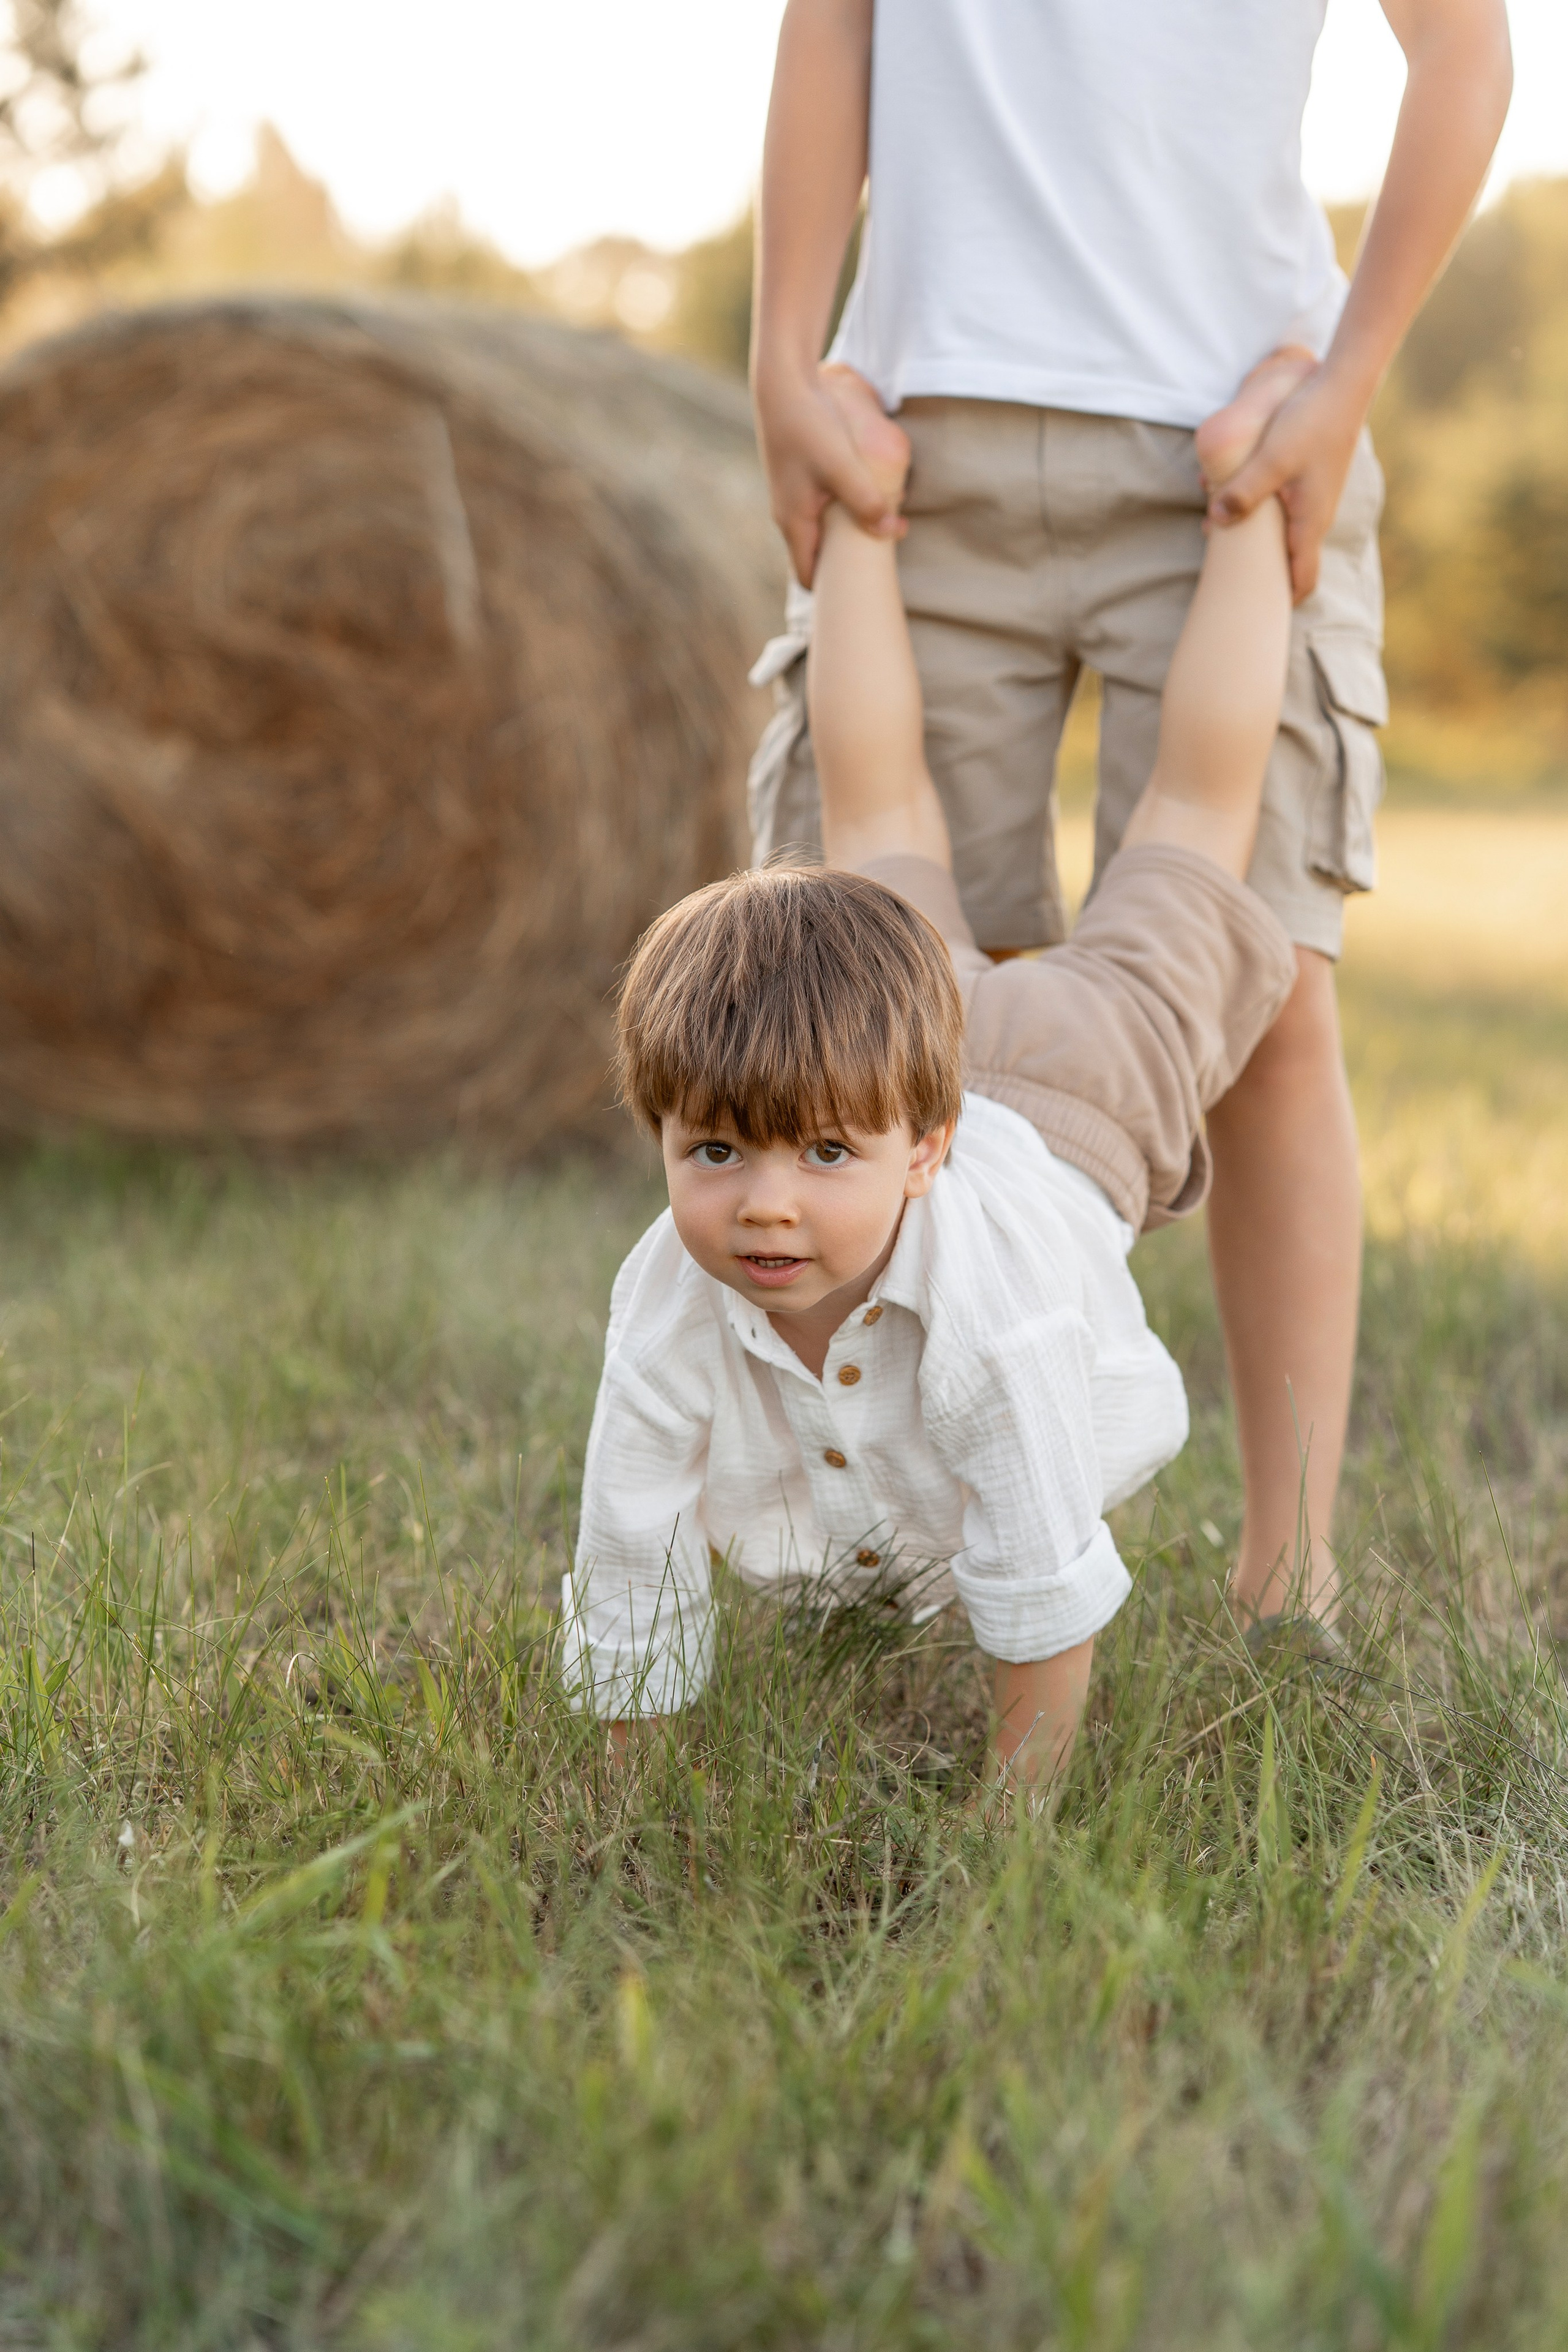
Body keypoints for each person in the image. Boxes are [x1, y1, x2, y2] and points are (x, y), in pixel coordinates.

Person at [748, 0, 1512, 1627]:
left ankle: (1286, 1575)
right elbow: (832, 26)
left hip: (1237, 417)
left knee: (1269, 996)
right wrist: (778, 357)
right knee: (864, 1026)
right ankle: (886, 1541)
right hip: (917, 429)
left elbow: (1467, 48)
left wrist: (1351, 381)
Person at [568, 358, 1303, 1797]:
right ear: (659, 1132)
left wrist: (1005, 1835)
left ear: (924, 1153)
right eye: (715, 1152)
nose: (762, 1208)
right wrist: (625, 1798)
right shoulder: (664, 1293)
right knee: (872, 808)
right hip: (902, 1038)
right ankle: (860, 516)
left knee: (1196, 817)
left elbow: (1037, 1582)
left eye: (814, 1162)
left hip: (1078, 1093)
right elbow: (628, 1539)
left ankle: (1245, 497)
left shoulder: (995, 1321)